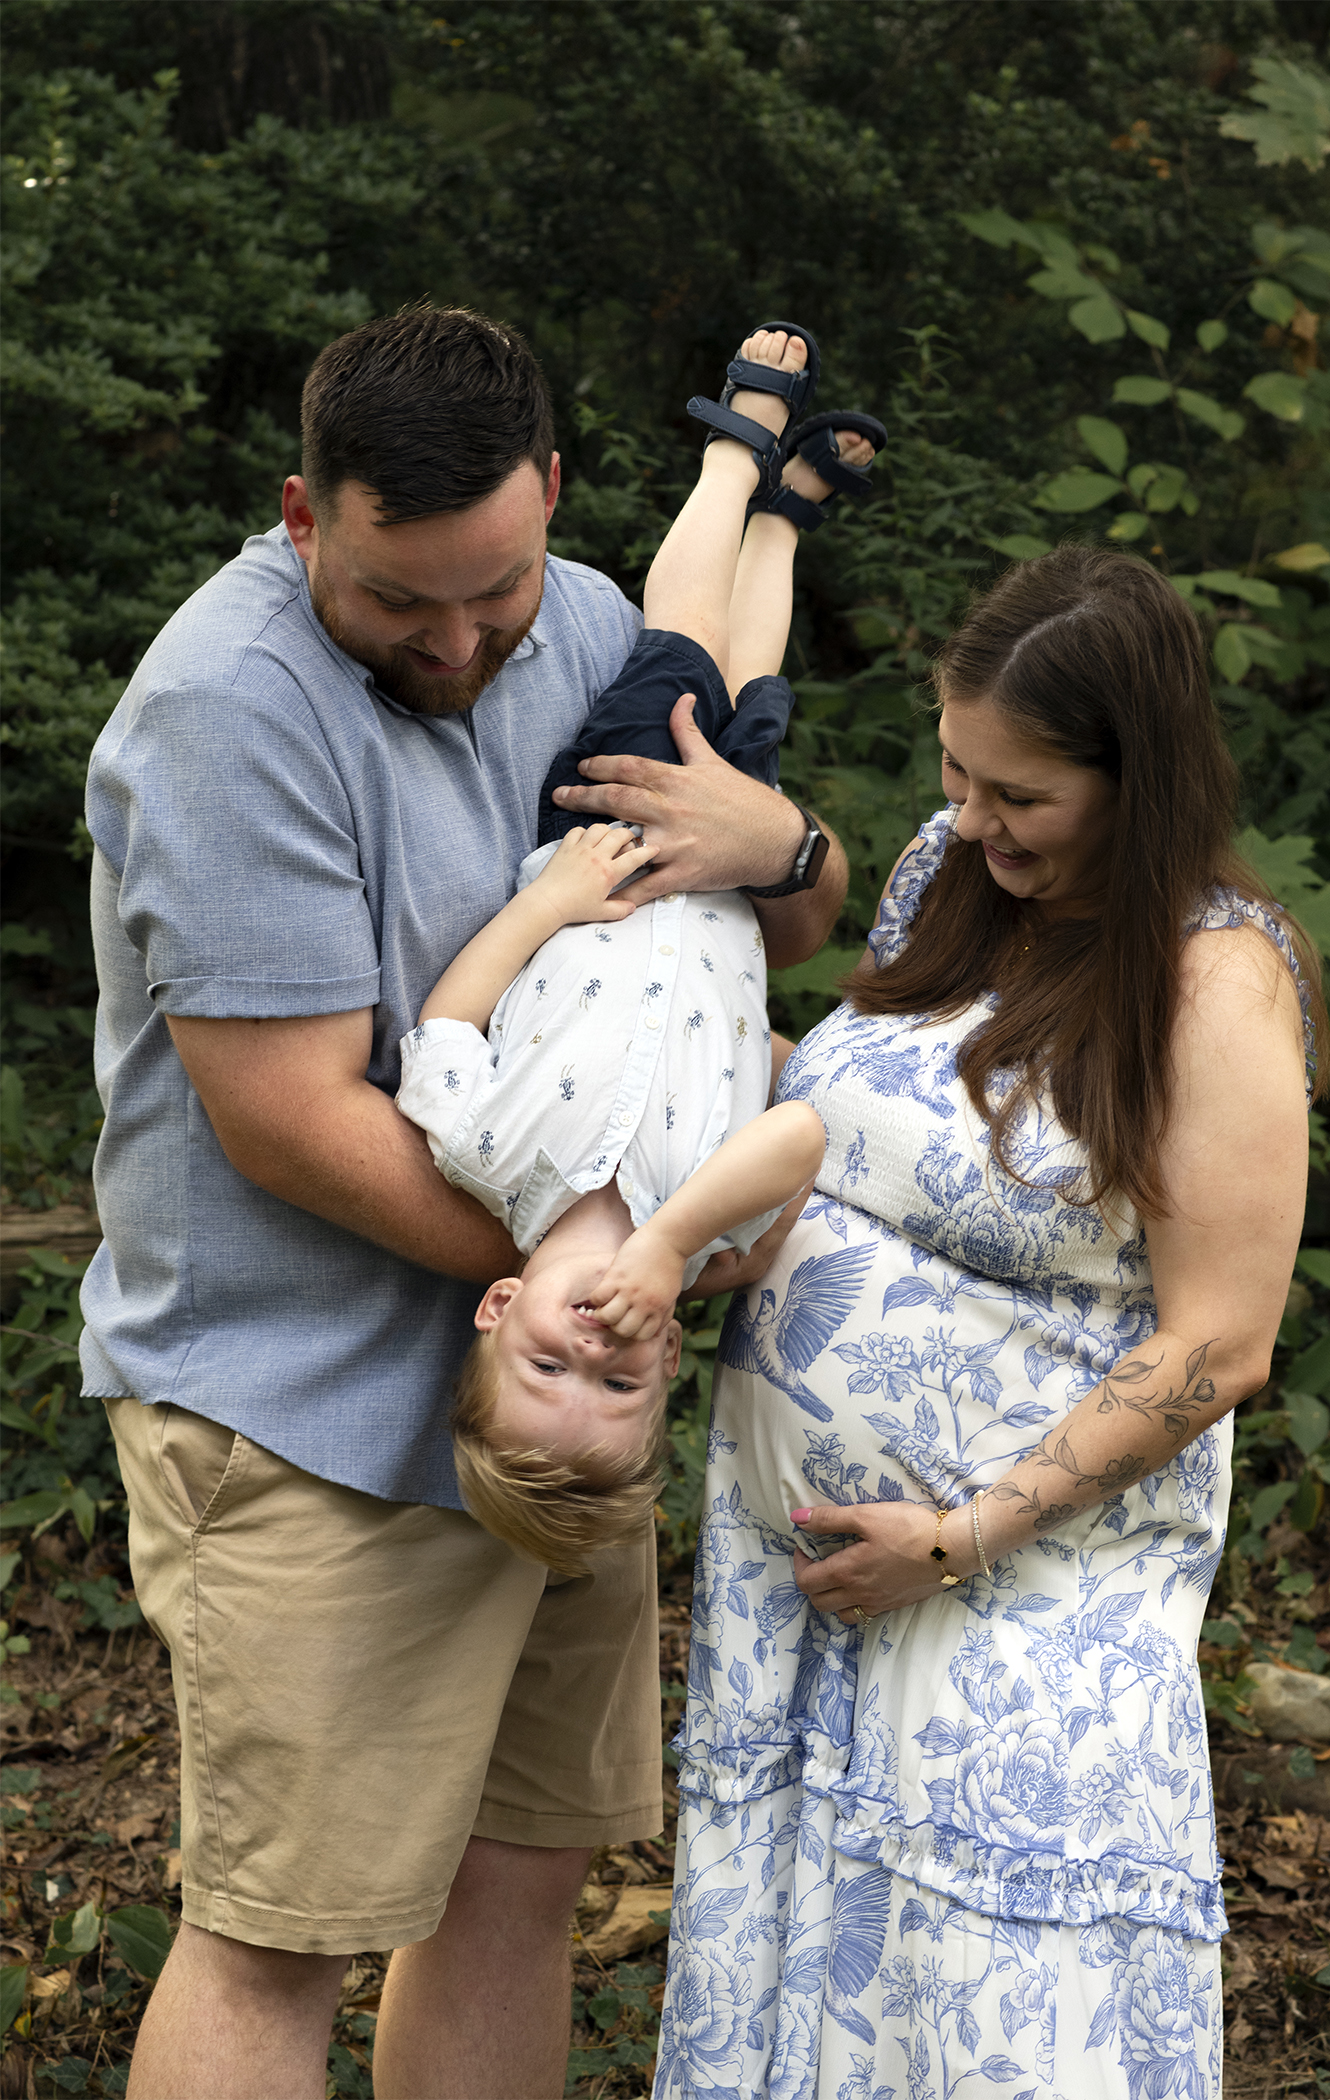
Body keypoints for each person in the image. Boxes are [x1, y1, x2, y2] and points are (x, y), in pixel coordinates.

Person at [80, 304, 848, 2100]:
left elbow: (762, 918)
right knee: (281, 1935)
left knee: (518, 1890)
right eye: (395, 600)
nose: (454, 641)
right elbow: (291, 1125)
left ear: (553, 496)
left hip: (549, 1428)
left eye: (490, 590)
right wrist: (623, 1266)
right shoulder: (224, 711)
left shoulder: (583, 621)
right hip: (311, 1421)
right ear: (303, 516)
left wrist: (791, 847)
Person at [655, 545, 1322, 2099]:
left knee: (996, 2020)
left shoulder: (1214, 980)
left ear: (1137, 780)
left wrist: (957, 1537)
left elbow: (1219, 1344)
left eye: (1020, 793)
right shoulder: (946, 875)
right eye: (957, 771)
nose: (972, 818)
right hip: (808, 1583)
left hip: (1019, 1596)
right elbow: (864, 1125)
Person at [395, 329, 879, 1567]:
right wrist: (671, 1243)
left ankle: (735, 450)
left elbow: (445, 1021)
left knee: (681, 650)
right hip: (722, 873)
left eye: (547, 1364)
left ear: (499, 1307)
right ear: (667, 1356)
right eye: (616, 1385)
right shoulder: (717, 1230)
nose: (591, 1349)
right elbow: (802, 1128)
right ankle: (784, 523)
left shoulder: (480, 1159)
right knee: (752, 686)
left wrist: (547, 903)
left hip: (608, 834)